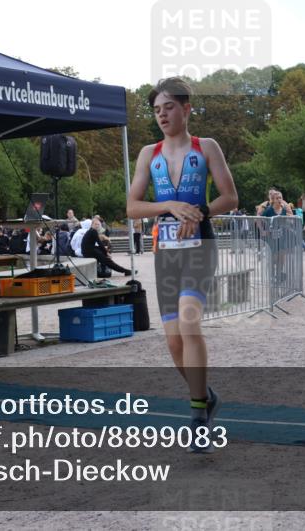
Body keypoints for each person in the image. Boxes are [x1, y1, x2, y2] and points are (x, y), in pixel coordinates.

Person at [127, 77, 238, 453]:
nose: (162, 115)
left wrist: (200, 209)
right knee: (174, 342)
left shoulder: (205, 147)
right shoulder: (148, 153)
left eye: (168, 107)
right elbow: (132, 207)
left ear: (186, 109)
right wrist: (168, 206)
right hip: (166, 251)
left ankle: (196, 419)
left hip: (199, 244)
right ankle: (205, 396)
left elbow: (230, 196)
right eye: (157, 110)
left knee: (190, 323)